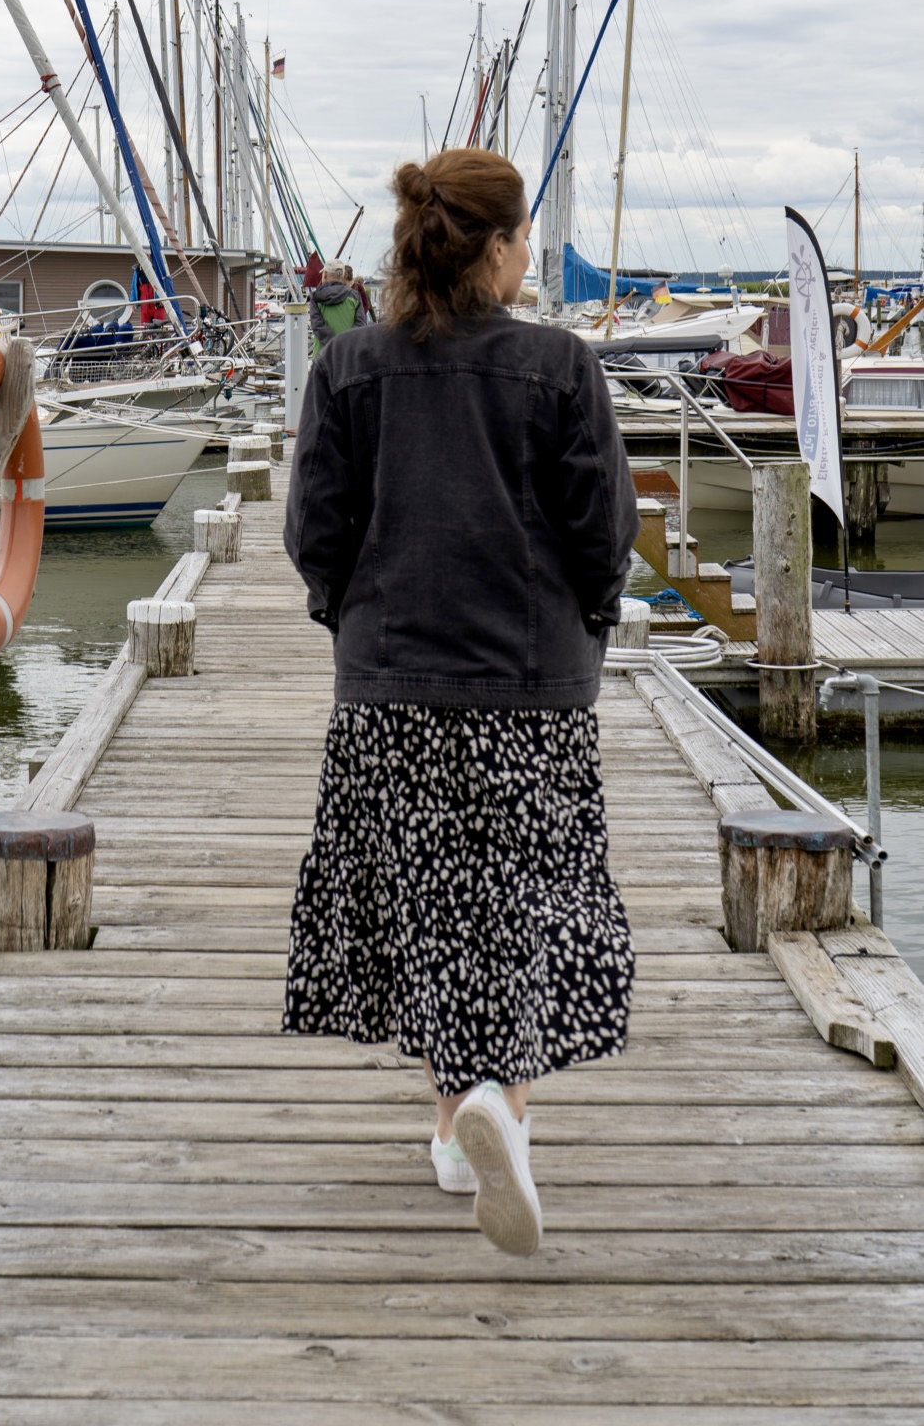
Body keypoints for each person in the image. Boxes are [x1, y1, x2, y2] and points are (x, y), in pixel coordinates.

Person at [282, 147, 639, 1256]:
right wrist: (586, 618)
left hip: (391, 690)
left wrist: (359, 625)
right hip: (530, 690)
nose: (530, 249)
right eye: (526, 232)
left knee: (437, 905)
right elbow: (603, 534)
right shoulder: (561, 366)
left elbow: (315, 537)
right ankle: (498, 1104)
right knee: (527, 903)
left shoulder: (347, 366)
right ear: (496, 245)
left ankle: (455, 1124)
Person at [308, 261, 366, 358]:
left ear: (325, 274)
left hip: (322, 356)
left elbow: (317, 325)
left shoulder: (315, 297)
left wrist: (334, 345)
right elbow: (361, 324)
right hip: (347, 355)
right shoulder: (354, 296)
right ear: (343, 275)